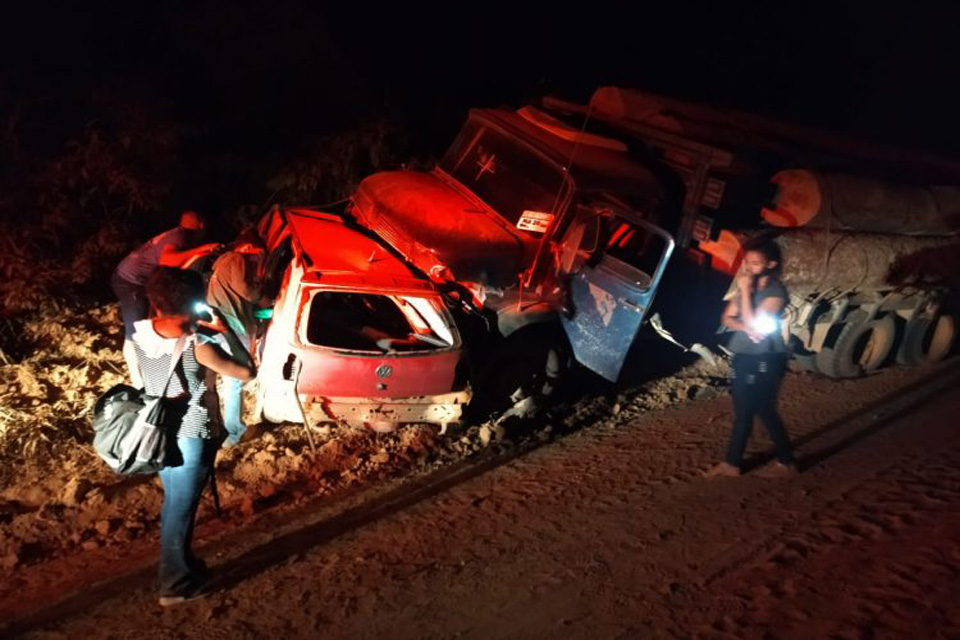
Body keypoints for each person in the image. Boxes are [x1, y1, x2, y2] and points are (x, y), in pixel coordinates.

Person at [133, 267, 254, 606]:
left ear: (155, 302)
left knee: (174, 501)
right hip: (192, 433)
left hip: (158, 433)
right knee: (180, 509)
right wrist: (226, 331)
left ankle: (184, 565)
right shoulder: (199, 346)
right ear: (195, 302)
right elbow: (246, 371)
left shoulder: (140, 335)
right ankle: (173, 584)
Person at [706, 240, 798, 478]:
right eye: (747, 262)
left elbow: (752, 322)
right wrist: (746, 325)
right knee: (748, 409)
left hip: (766, 357)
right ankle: (735, 464)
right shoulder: (746, 285)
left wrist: (745, 293)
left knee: (760, 409)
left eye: (755, 263)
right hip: (744, 354)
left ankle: (783, 463)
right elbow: (727, 318)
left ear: (771, 264)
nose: (749, 267)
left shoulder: (776, 292)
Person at [112, 211, 220, 388]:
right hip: (129, 281)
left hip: (140, 280)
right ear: (201, 226)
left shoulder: (177, 235)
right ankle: (138, 381)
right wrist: (201, 249)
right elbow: (167, 260)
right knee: (136, 332)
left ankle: (150, 371)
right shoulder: (180, 236)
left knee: (147, 325)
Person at [205, 230, 267, 446]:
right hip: (231, 325)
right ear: (248, 247)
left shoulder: (222, 262)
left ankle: (219, 429)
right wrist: (262, 295)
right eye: (259, 253)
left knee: (221, 380)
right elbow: (246, 291)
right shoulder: (238, 258)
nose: (259, 259)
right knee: (234, 381)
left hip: (219, 323)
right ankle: (234, 433)